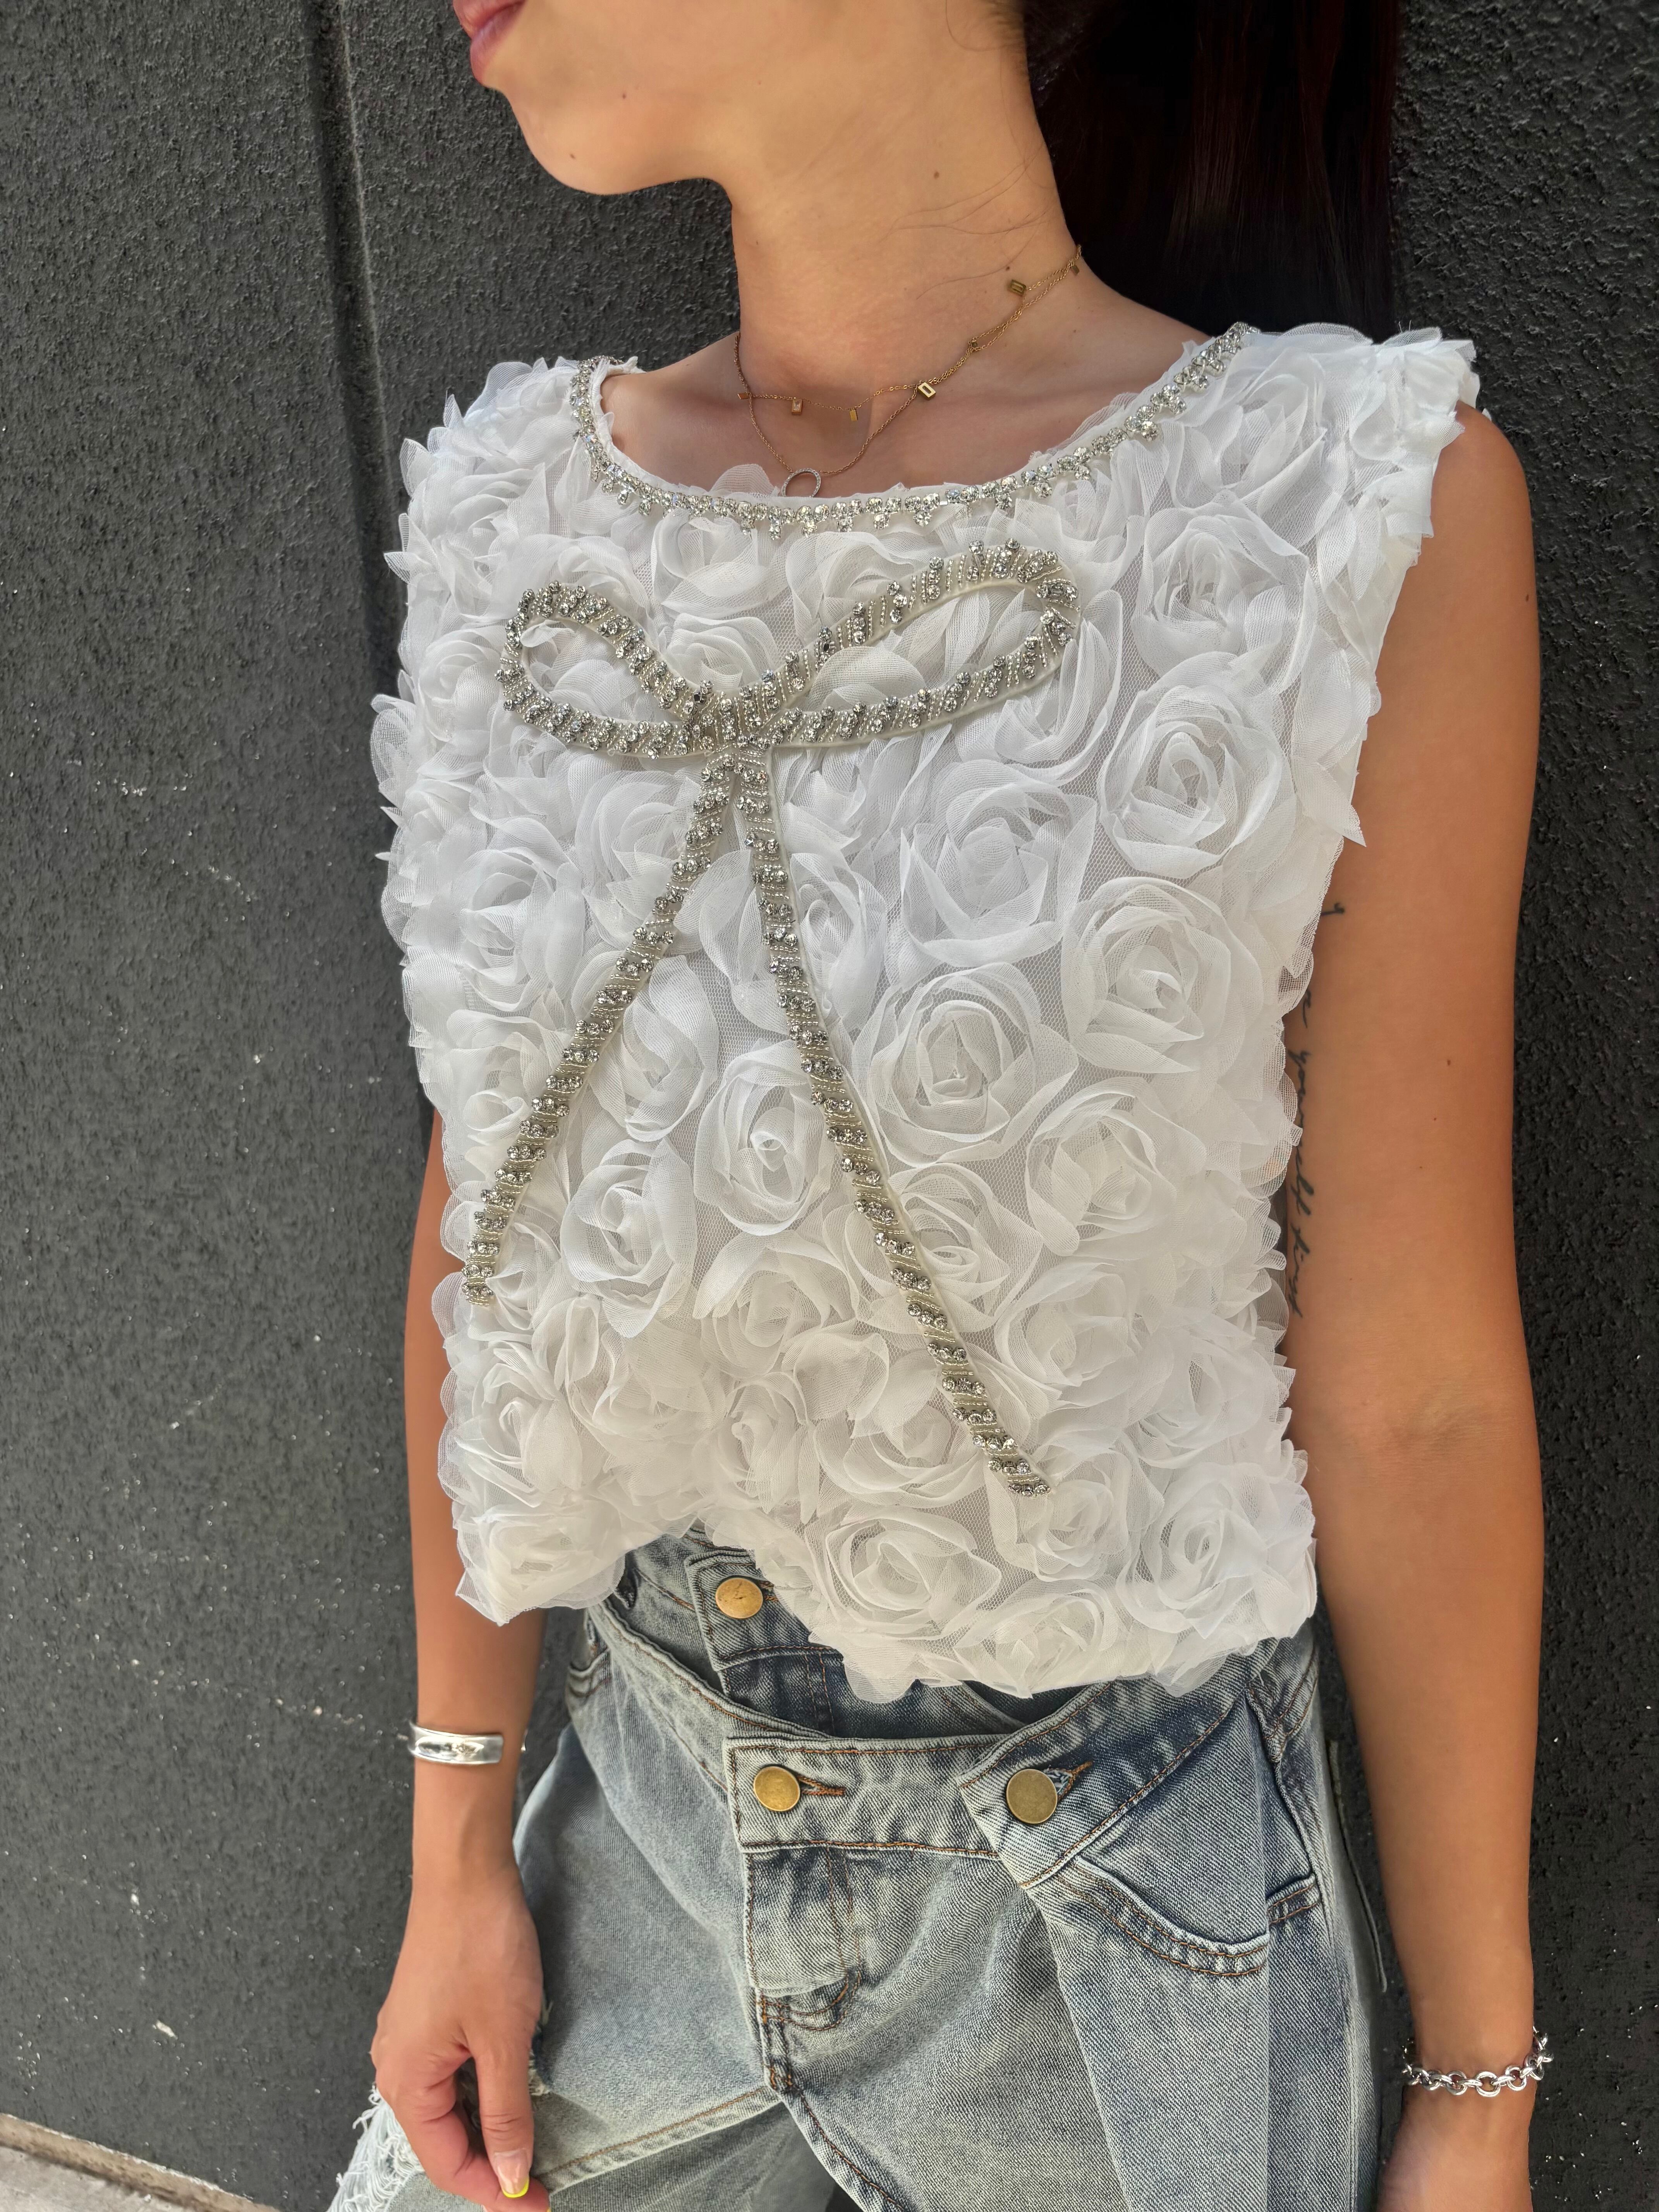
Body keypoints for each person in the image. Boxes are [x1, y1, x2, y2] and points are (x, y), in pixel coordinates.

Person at [329, 2, 1544, 2207]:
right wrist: (453, 1849)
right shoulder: (522, 512)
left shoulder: (1346, 503)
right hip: (629, 1855)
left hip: (1117, 1927)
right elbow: (488, 1239)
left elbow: (1416, 1387)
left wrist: (1479, 2090)